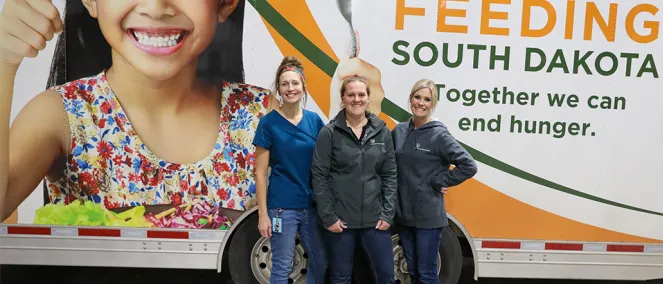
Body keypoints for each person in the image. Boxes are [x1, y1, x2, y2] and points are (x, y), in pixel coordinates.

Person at [0, 0, 278, 222]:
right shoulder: (59, 115)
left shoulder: (262, 116)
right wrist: (3, 61)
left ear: (227, 2)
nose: (155, 7)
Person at [311, 76, 397, 284]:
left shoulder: (382, 131)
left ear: (368, 98)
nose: (356, 99)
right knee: (340, 277)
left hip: (375, 221)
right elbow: (319, 176)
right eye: (351, 94)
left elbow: (390, 174)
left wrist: (387, 213)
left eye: (361, 94)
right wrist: (329, 217)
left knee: (386, 276)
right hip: (341, 222)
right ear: (342, 98)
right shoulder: (329, 133)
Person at [391, 79, 477, 284]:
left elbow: (469, 165)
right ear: (410, 99)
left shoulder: (439, 134)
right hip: (403, 214)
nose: (421, 103)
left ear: (433, 104)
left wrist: (439, 180)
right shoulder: (400, 131)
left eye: (427, 99)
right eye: (417, 97)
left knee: (427, 273)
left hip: (428, 217)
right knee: (412, 271)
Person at [252, 56, 327, 284]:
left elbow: (326, 163)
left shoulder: (314, 121)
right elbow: (261, 172)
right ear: (279, 89)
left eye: (295, 83)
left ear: (303, 87)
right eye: (285, 84)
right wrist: (263, 214)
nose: (290, 88)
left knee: (321, 261)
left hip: (311, 207)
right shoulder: (269, 123)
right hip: (281, 210)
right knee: (282, 266)